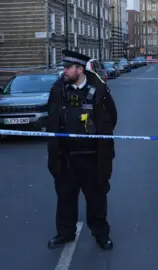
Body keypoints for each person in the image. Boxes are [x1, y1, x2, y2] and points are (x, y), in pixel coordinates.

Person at [46, 50, 117, 251]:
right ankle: (65, 233)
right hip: (66, 158)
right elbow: (52, 119)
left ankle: (101, 234)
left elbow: (111, 118)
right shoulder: (57, 89)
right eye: (64, 67)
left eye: (68, 68)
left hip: (93, 158)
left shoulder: (99, 90)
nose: (64, 71)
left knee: (96, 199)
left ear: (79, 69)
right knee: (65, 199)